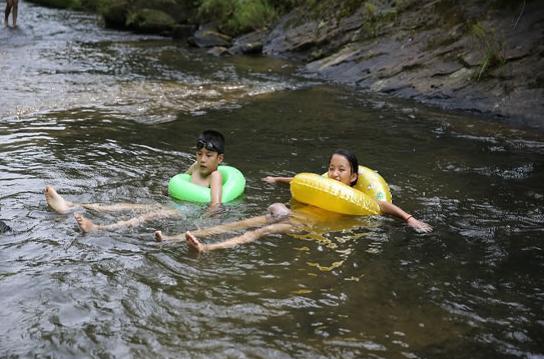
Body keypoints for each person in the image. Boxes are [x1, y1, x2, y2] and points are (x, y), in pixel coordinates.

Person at [44, 130, 226, 233]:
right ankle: (71, 205)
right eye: (199, 154)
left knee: (145, 216)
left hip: (187, 213)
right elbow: (181, 181)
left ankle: (99, 228)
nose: (203, 159)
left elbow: (215, 204)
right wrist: (165, 192)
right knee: (126, 205)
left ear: (219, 159)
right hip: (174, 205)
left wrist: (204, 221)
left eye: (208, 155)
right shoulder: (195, 166)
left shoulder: (215, 176)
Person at [263, 149, 432, 233]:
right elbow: (297, 180)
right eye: (331, 168)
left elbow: (383, 205)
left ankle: (240, 240)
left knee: (261, 231)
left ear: (352, 177)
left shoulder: (360, 198)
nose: (335, 174)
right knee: (273, 214)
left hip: (317, 225)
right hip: (304, 217)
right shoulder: (323, 183)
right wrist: (276, 179)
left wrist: (410, 219)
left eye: (341, 170)